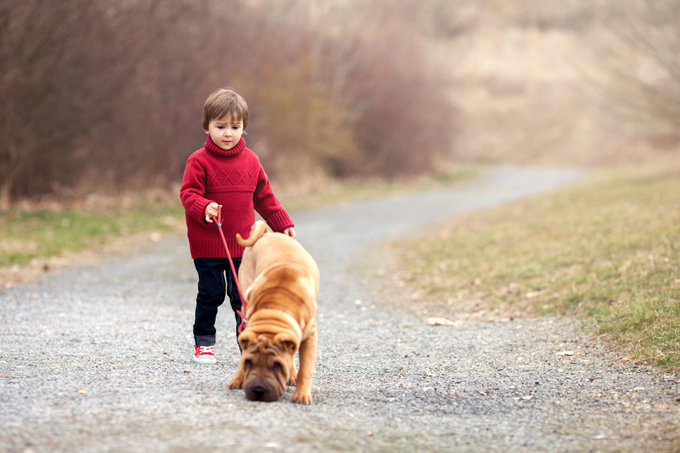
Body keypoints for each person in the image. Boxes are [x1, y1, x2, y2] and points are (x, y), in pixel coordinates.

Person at [180, 88, 295, 364]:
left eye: (235, 126)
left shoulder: (251, 161)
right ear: (207, 127)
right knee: (211, 294)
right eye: (220, 126)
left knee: (242, 298)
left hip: (242, 246)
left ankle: (249, 346)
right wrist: (202, 206)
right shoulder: (198, 161)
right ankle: (204, 342)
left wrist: (282, 224)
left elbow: (264, 197)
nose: (228, 133)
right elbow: (188, 194)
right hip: (207, 245)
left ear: (243, 128)